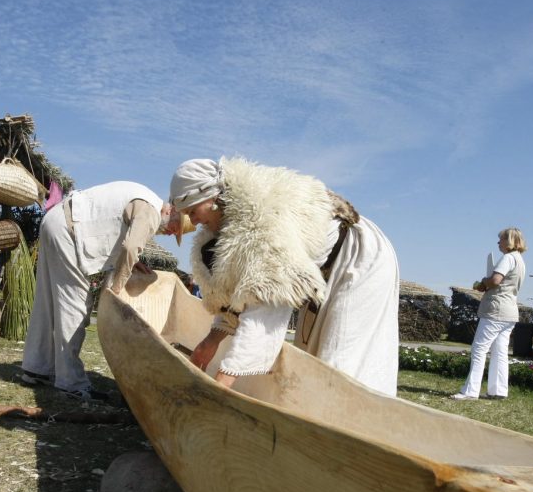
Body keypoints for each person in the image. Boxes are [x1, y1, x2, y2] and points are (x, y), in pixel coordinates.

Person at [169, 157, 400, 395]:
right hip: (324, 270)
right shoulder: (222, 235)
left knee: (342, 363)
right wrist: (211, 341)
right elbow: (235, 299)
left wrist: (220, 385)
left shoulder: (261, 221)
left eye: (193, 211)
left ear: (212, 197)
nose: (193, 222)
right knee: (314, 359)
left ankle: (357, 426)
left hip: (360, 258)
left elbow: (264, 309)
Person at [20, 182, 184, 401]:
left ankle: (36, 368)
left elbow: (116, 232)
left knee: (47, 302)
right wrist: (116, 290)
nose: (171, 233)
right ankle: (71, 383)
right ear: (170, 210)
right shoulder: (152, 211)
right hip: (68, 231)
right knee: (75, 308)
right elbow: (131, 247)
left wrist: (131, 263)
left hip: (57, 220)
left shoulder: (144, 197)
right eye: (176, 226)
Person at [452, 227, 527, 400]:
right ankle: (498, 390)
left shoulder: (507, 258)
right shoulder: (520, 260)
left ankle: (470, 391)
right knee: (500, 351)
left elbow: (495, 280)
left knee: (479, 349)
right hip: (510, 312)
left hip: (496, 310)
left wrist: (483, 283)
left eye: (500, 239)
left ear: (509, 241)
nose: (498, 242)